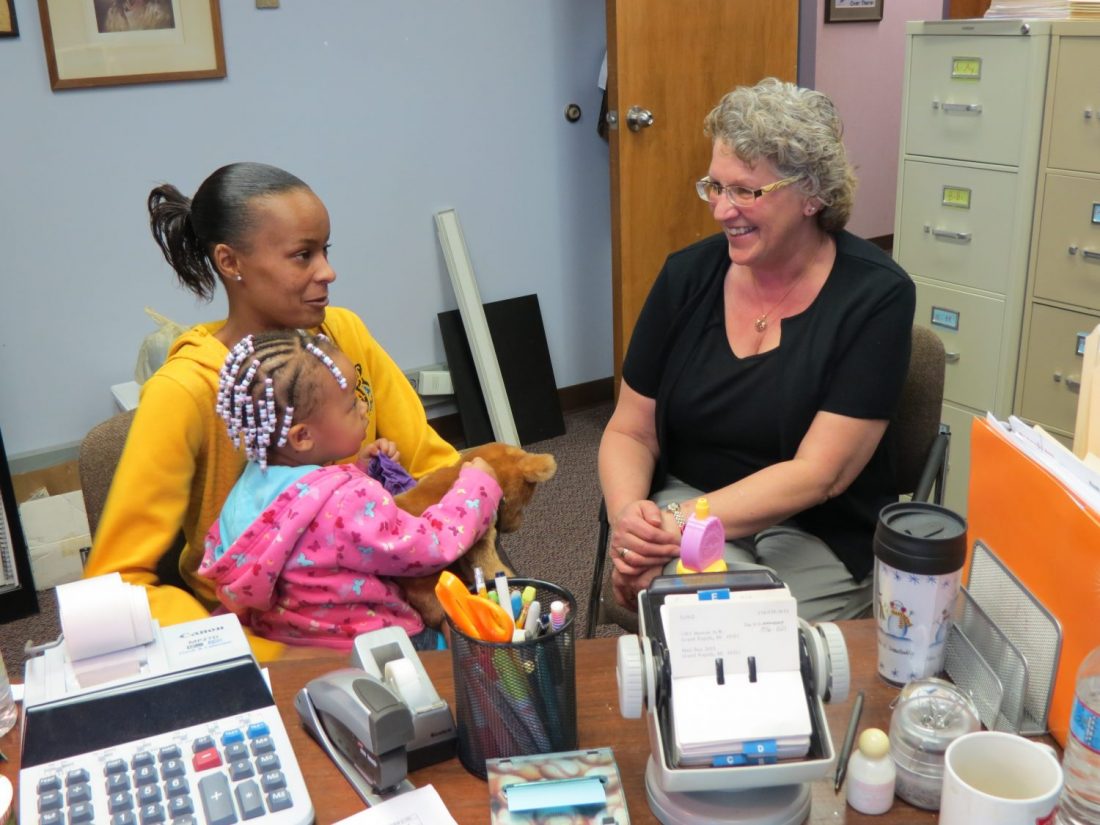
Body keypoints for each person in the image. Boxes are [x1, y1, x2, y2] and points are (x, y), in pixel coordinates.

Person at [85, 162, 460, 659]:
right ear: (229, 261)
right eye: (302, 255)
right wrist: (252, 655)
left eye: (325, 251)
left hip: (392, 603)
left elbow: (430, 466)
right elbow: (117, 585)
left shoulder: (342, 337)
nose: (327, 271)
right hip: (268, 639)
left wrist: (456, 581)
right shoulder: (185, 389)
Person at [599, 78, 916, 622]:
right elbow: (631, 429)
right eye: (715, 187)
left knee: (755, 634)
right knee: (701, 625)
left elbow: (821, 474)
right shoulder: (687, 277)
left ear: (812, 195)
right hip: (691, 501)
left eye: (746, 191)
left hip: (819, 527)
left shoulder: (876, 296)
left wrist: (675, 521)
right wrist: (636, 524)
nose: (722, 210)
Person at [199, 330, 502, 651]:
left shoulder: (245, 491)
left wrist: (361, 469)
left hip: (293, 643)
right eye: (349, 405)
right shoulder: (349, 499)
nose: (362, 408)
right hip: (381, 643)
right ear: (302, 437)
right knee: (479, 649)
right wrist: (476, 488)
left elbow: (310, 519)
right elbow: (427, 547)